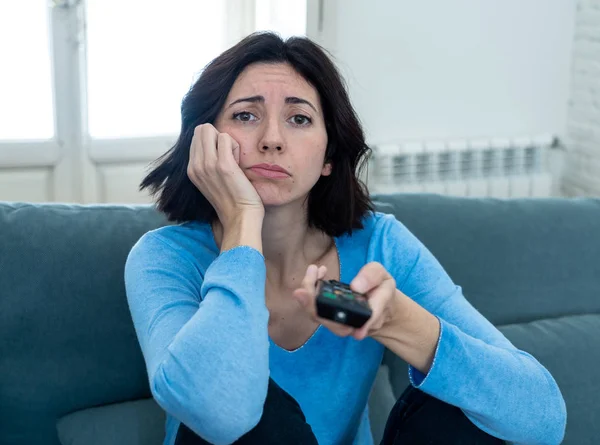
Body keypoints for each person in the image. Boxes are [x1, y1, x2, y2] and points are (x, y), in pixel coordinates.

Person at [124, 32, 566, 445]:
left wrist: (393, 320)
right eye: (245, 115)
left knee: (459, 405)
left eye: (299, 118)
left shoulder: (380, 245)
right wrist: (242, 223)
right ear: (205, 142)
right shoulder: (166, 258)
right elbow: (220, 414)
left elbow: (543, 417)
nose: (272, 139)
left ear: (329, 158)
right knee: (260, 413)